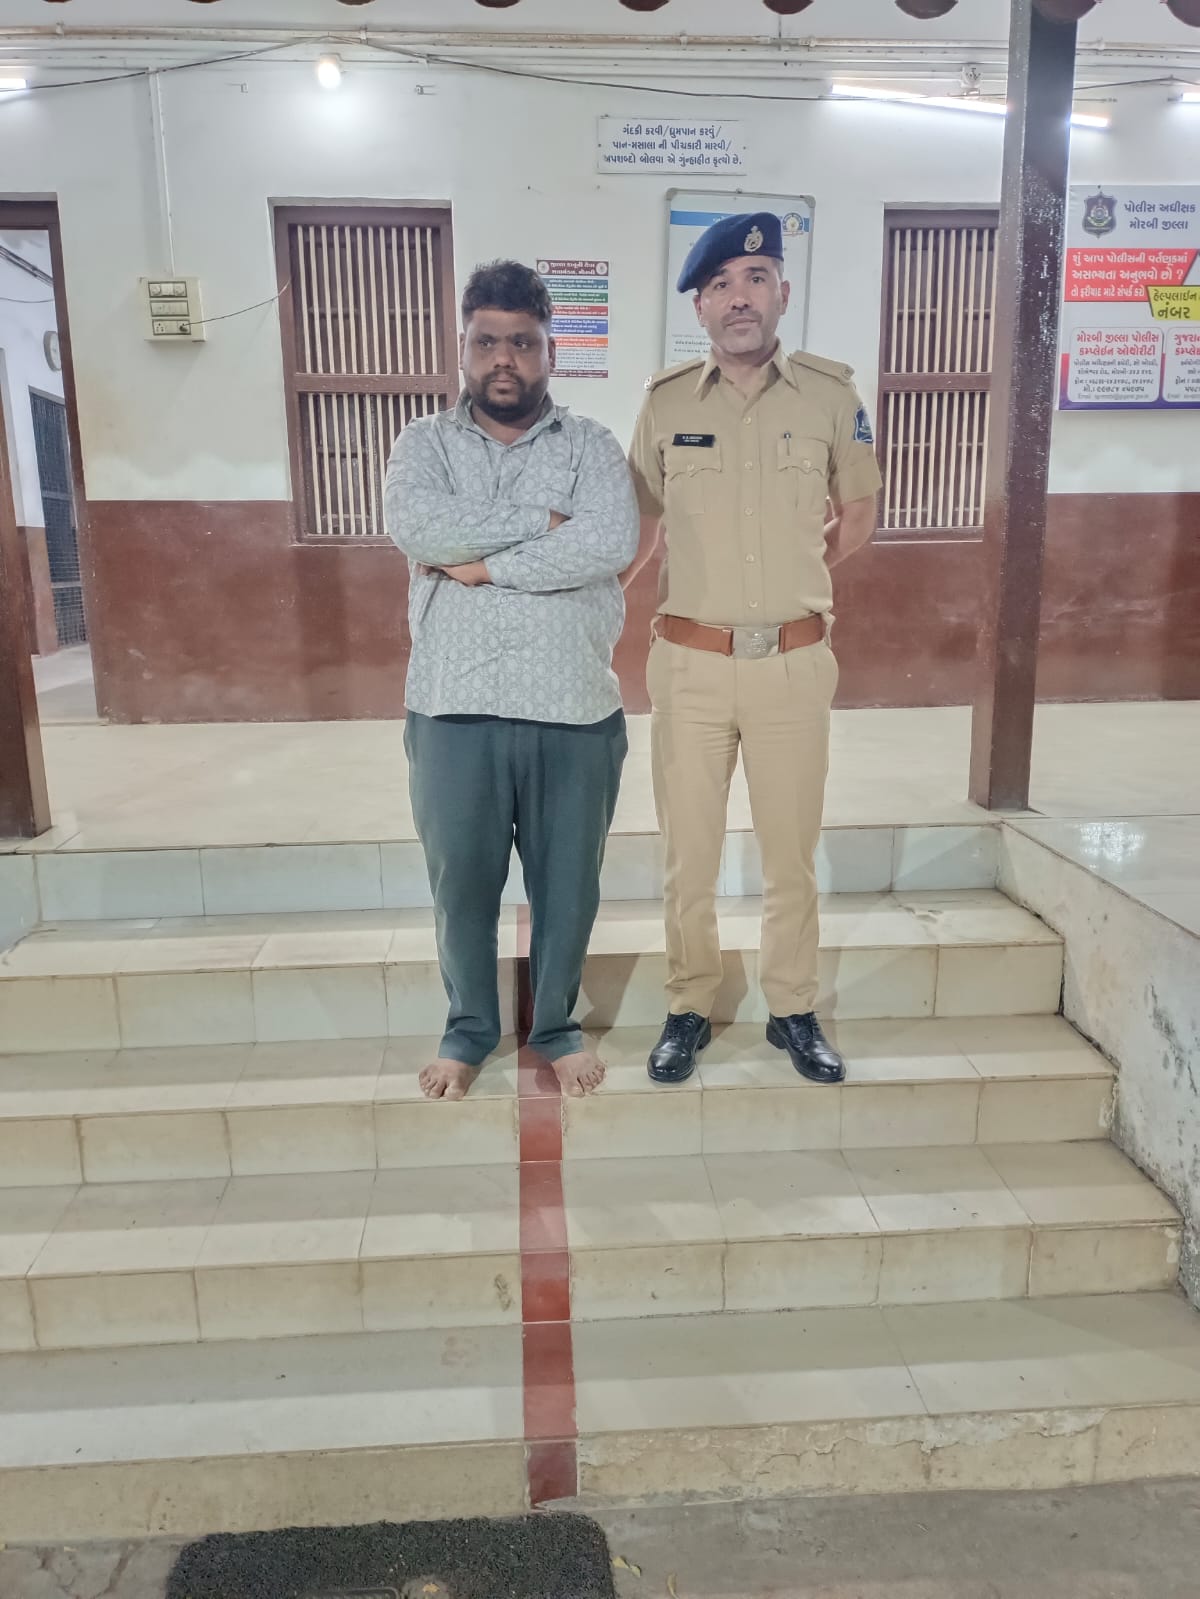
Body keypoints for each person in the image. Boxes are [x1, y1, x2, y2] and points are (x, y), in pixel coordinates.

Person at [625, 213, 882, 1086]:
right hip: (689, 667)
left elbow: (859, 514)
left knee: (790, 856)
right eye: (721, 285)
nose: (740, 297)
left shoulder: (831, 396)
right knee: (688, 857)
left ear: (783, 292)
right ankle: (688, 1004)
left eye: (756, 277)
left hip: (792, 669)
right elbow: (641, 527)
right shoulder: (665, 403)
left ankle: (792, 1007)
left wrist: (794, 583)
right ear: (700, 307)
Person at [384, 259, 638, 1101]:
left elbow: (609, 542)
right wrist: (542, 524)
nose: (504, 358)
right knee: (462, 884)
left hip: (572, 706)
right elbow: (417, 525)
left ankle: (556, 1025)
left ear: (549, 352)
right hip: (453, 705)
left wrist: (483, 566)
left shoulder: (592, 446)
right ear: (463, 348)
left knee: (568, 887)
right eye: (486, 341)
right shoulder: (422, 444)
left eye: (522, 343)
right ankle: (469, 1029)